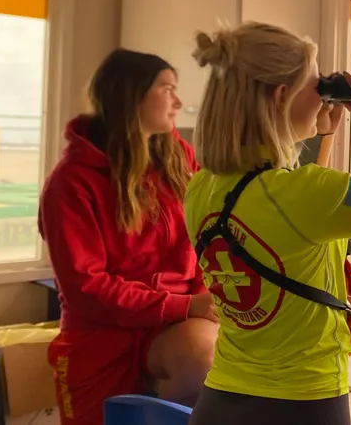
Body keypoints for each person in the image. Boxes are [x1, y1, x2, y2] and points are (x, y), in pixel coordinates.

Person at [183, 22, 351, 425]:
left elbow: (288, 213)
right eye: (317, 88)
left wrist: (315, 132)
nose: (323, 100)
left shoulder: (202, 186)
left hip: (221, 400)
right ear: (280, 96)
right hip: (302, 403)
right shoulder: (308, 194)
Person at [40, 49, 218, 425]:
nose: (179, 101)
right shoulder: (70, 182)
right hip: (100, 335)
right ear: (130, 94)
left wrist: (205, 299)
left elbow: (207, 234)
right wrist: (186, 306)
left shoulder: (179, 159)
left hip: (171, 325)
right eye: (167, 89)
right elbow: (85, 289)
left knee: (206, 356)